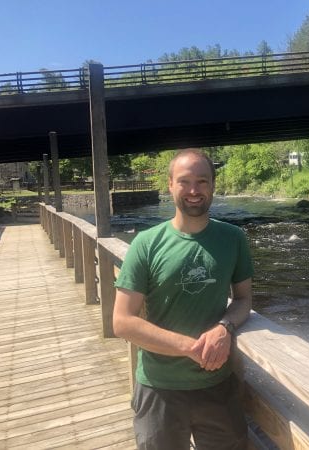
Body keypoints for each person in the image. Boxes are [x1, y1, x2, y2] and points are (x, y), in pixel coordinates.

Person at [113, 148, 253, 450]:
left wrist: (224, 327)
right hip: (158, 387)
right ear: (170, 184)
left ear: (213, 185)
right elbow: (122, 322)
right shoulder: (146, 244)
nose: (193, 190)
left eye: (202, 181)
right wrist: (190, 348)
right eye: (184, 181)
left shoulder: (233, 239)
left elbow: (243, 300)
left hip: (217, 386)